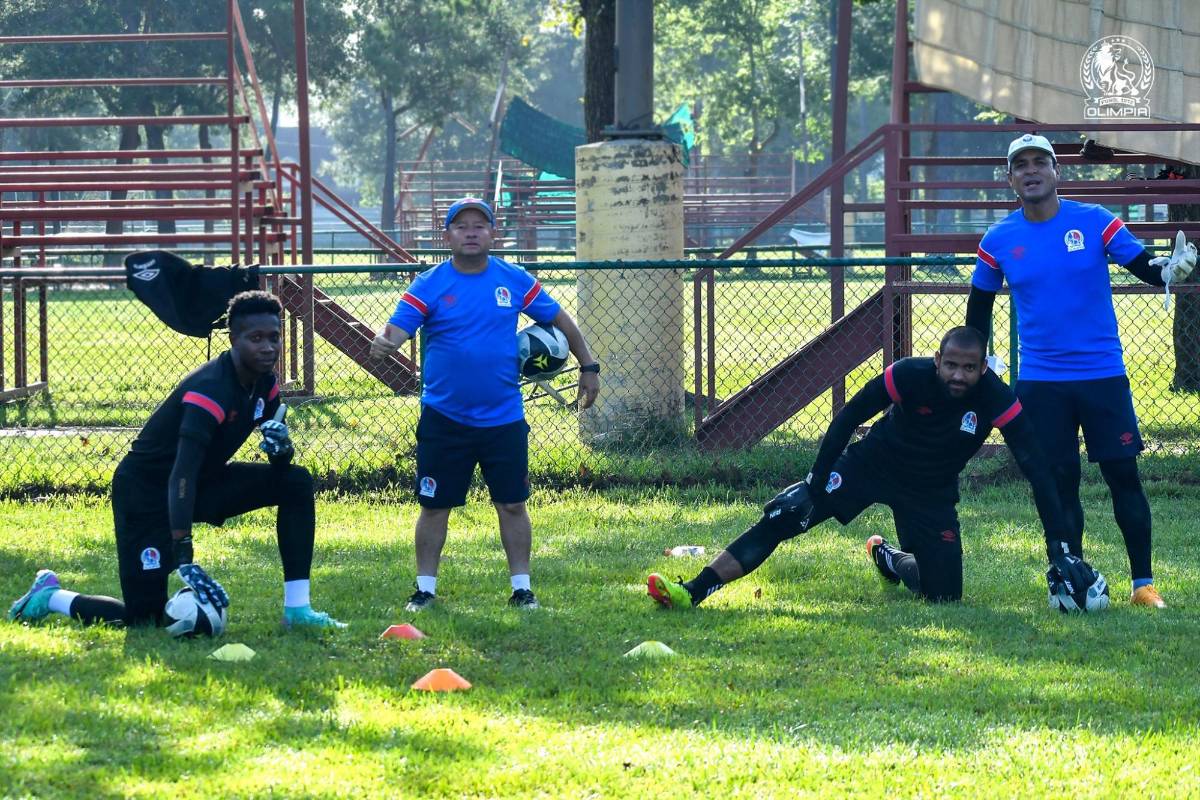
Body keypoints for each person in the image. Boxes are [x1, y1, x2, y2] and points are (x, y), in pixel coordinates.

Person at [648, 326, 1100, 609]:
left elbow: (1037, 467)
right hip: (871, 465)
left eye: (969, 368)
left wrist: (1058, 545)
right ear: (937, 361)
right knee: (785, 516)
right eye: (951, 365)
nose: (959, 376)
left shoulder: (998, 398)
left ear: (983, 369)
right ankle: (695, 590)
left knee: (944, 595)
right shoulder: (907, 374)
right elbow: (848, 417)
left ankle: (885, 555)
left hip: (931, 491)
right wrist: (815, 480)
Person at [8, 291, 345, 630]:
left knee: (295, 483)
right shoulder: (211, 390)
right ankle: (50, 596)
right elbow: (180, 473)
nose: (268, 347)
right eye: (255, 338)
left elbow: (279, 465)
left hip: (201, 483)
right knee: (144, 619)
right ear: (233, 340)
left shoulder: (265, 384)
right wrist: (183, 552)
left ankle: (298, 612)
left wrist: (281, 448)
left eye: (273, 337)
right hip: (146, 494)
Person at [966, 133, 1197, 609]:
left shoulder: (1095, 222)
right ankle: (1067, 576)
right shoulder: (998, 239)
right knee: (1058, 481)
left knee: (1122, 476)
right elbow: (978, 312)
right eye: (1020, 165)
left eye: (1039, 163)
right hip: (1041, 382)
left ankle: (1143, 586)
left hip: (1102, 376)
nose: (1030, 171)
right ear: (1010, 179)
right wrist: (978, 363)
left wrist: (1172, 269)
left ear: (1057, 172)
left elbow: (1145, 267)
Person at [371, 197, 600, 611]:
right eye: (462, 226)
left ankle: (522, 588)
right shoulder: (430, 283)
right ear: (448, 236)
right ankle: (425, 589)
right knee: (435, 505)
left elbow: (560, 318)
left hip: (503, 418)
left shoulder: (513, 279)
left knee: (512, 503)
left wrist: (589, 365)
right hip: (445, 417)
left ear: (493, 233)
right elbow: (396, 329)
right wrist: (385, 343)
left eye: (480, 225)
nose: (471, 232)